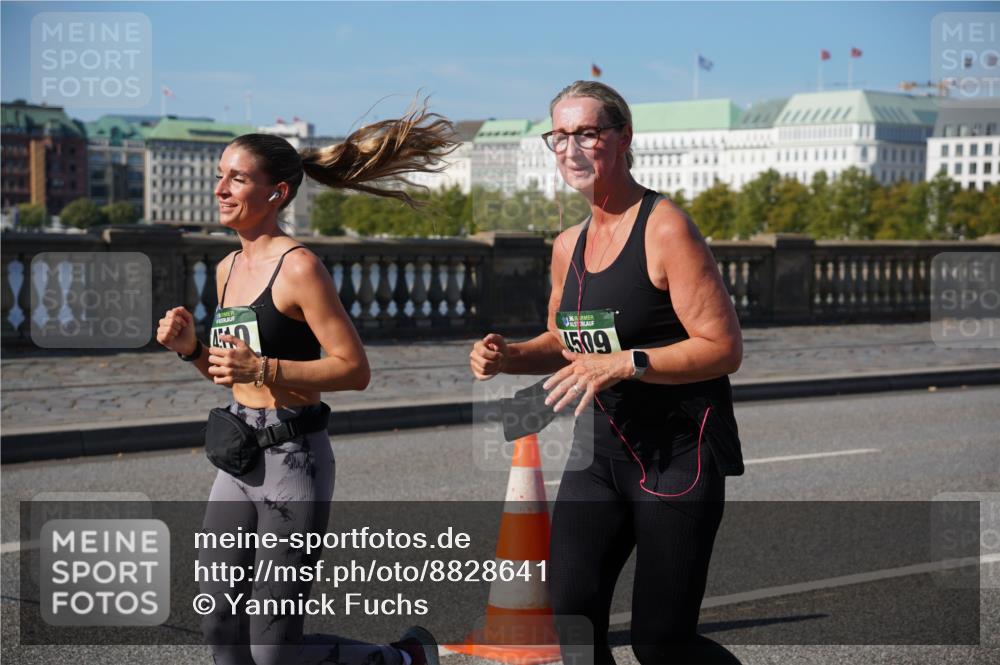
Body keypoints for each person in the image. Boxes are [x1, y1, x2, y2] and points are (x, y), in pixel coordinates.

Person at [156, 102, 455, 665]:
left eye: (237, 178)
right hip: (238, 456)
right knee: (219, 628)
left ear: (278, 194)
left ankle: (405, 658)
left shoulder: (299, 268)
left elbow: (354, 369)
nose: (221, 188)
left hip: (295, 459)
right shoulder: (225, 270)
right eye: (220, 176)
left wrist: (263, 370)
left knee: (272, 650)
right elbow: (232, 374)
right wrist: (192, 349)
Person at [469, 80, 746, 664]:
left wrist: (631, 361)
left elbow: (722, 348)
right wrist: (508, 354)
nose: (571, 148)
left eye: (587, 134)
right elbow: (564, 342)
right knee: (571, 622)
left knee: (660, 643)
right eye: (560, 136)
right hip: (600, 454)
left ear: (622, 139)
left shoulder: (665, 227)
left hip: (678, 454)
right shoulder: (569, 244)